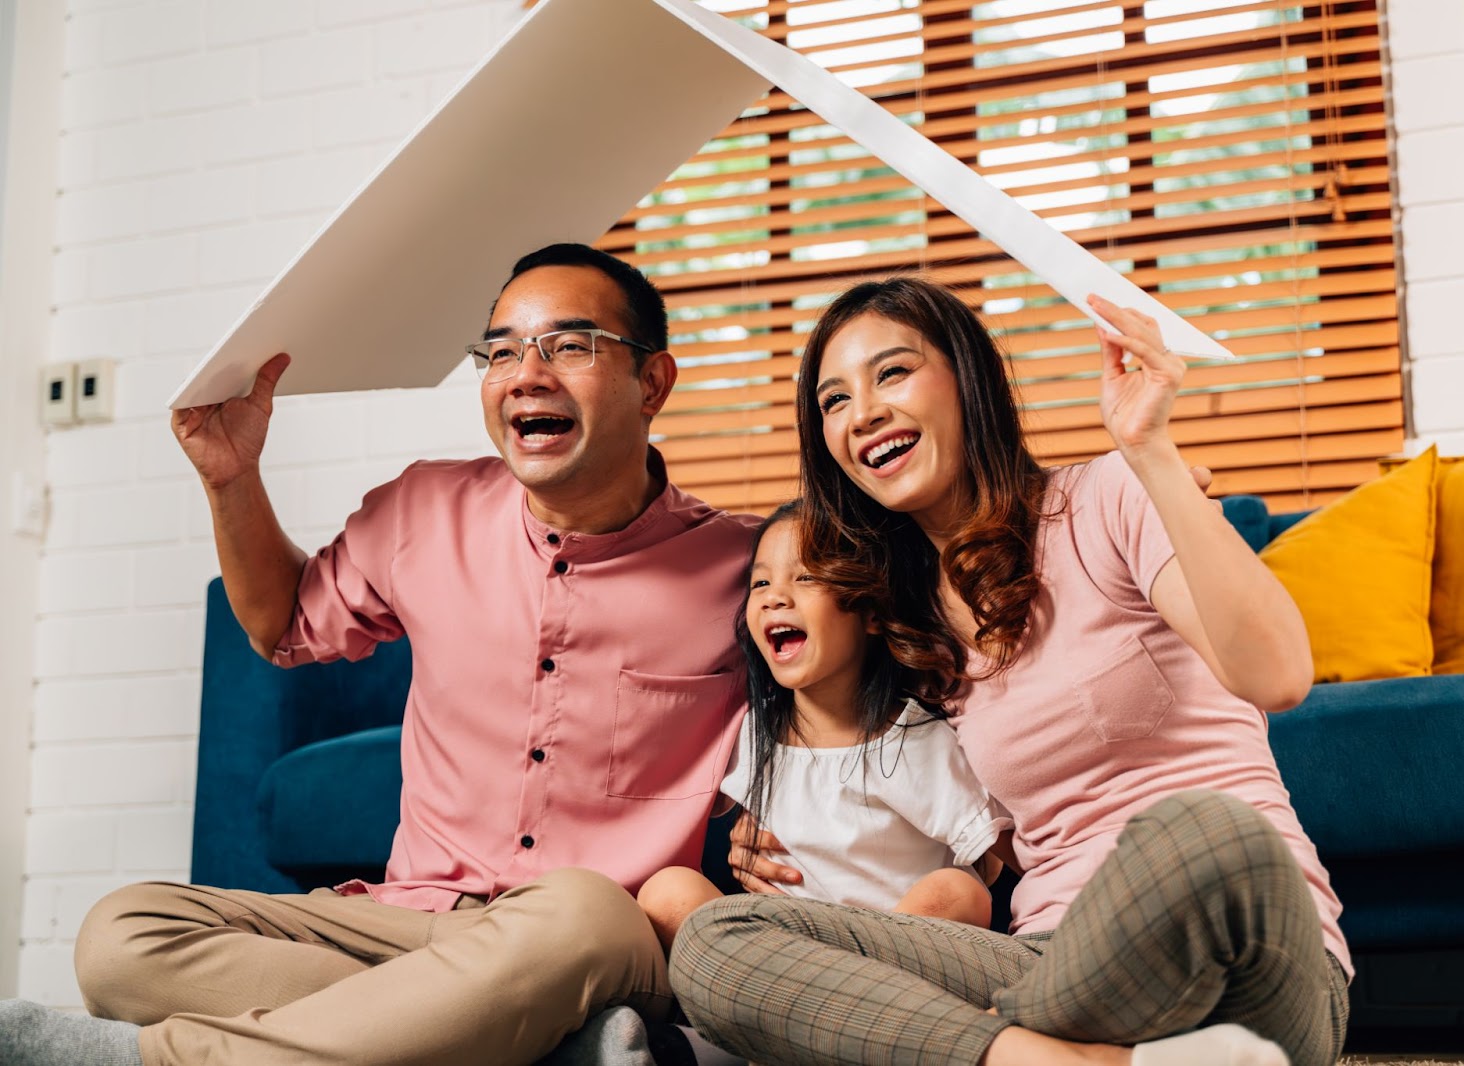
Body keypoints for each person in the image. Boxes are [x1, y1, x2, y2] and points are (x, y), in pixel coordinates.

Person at [0, 244, 757, 1066]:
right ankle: (540, 1040)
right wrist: (232, 479)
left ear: (653, 383)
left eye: (569, 346)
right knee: (121, 935)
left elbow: (847, 726)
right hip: (406, 920)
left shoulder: (749, 572)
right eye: (500, 351)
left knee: (580, 912)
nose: (525, 373)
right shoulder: (422, 510)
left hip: (596, 933)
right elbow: (282, 625)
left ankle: (180, 1058)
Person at [668, 278, 1352, 1066]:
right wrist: (784, 831)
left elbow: (1279, 677)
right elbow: (946, 826)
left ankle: (1031, 1046)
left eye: (892, 373)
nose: (863, 413)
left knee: (1203, 833)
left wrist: (1150, 452)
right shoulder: (903, 623)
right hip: (1055, 964)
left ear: (969, 380)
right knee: (716, 943)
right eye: (833, 400)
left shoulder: (1106, 497)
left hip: (1244, 948)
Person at [637, 502, 1010, 949]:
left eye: (806, 577)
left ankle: (835, 1003)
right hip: (787, 952)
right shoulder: (751, 733)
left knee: (958, 890)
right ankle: (787, 1001)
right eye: (760, 582)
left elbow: (990, 865)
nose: (775, 596)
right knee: (668, 890)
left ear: (871, 614)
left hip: (893, 957)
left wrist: (970, 869)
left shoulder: (917, 741)